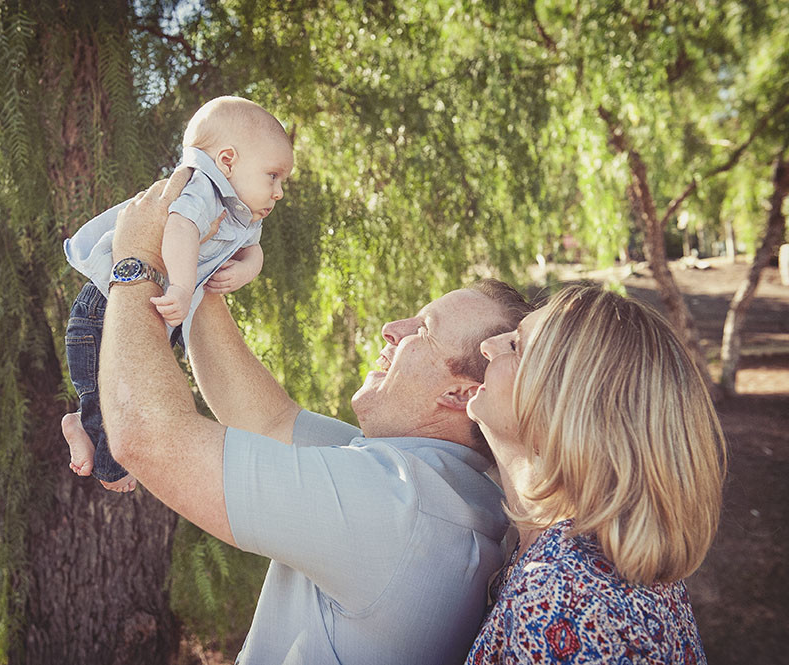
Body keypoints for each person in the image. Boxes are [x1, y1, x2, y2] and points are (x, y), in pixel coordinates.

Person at [60, 171, 535, 663]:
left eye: (424, 331)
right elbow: (267, 420)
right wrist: (199, 269)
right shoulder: (450, 483)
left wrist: (136, 262)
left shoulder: (394, 504)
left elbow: (147, 436)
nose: (393, 329)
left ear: (462, 393)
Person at [464, 285, 726, 664]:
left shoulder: (562, 596)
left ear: (563, 408)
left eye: (516, 347)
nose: (488, 346)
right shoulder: (585, 558)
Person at [61, 96, 293, 491]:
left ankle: (80, 424)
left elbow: (255, 249)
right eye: (272, 176)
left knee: (121, 391)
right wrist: (184, 287)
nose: (279, 192)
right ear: (228, 162)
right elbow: (181, 228)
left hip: (137, 310)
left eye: (282, 182)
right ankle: (108, 464)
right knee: (115, 394)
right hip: (103, 308)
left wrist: (246, 268)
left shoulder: (242, 213)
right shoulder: (201, 188)